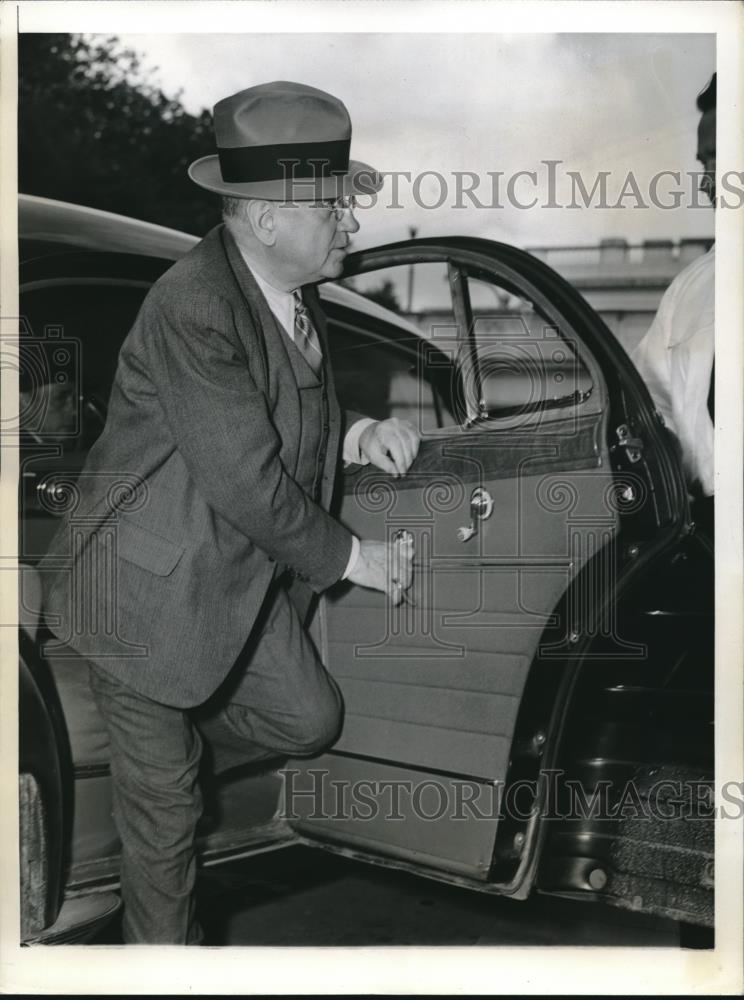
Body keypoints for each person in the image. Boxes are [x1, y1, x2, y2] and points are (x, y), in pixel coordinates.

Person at [40, 81, 420, 944]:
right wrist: (358, 559)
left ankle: (171, 720)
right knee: (168, 811)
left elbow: (284, 408)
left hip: (221, 581)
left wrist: (357, 431)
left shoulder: (291, 288)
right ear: (267, 220)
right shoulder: (193, 304)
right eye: (335, 208)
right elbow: (249, 479)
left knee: (311, 720)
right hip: (138, 596)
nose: (352, 225)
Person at [632, 72, 715, 517]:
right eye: (704, 163)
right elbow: (646, 409)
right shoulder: (690, 289)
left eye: (719, 159)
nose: (706, 184)